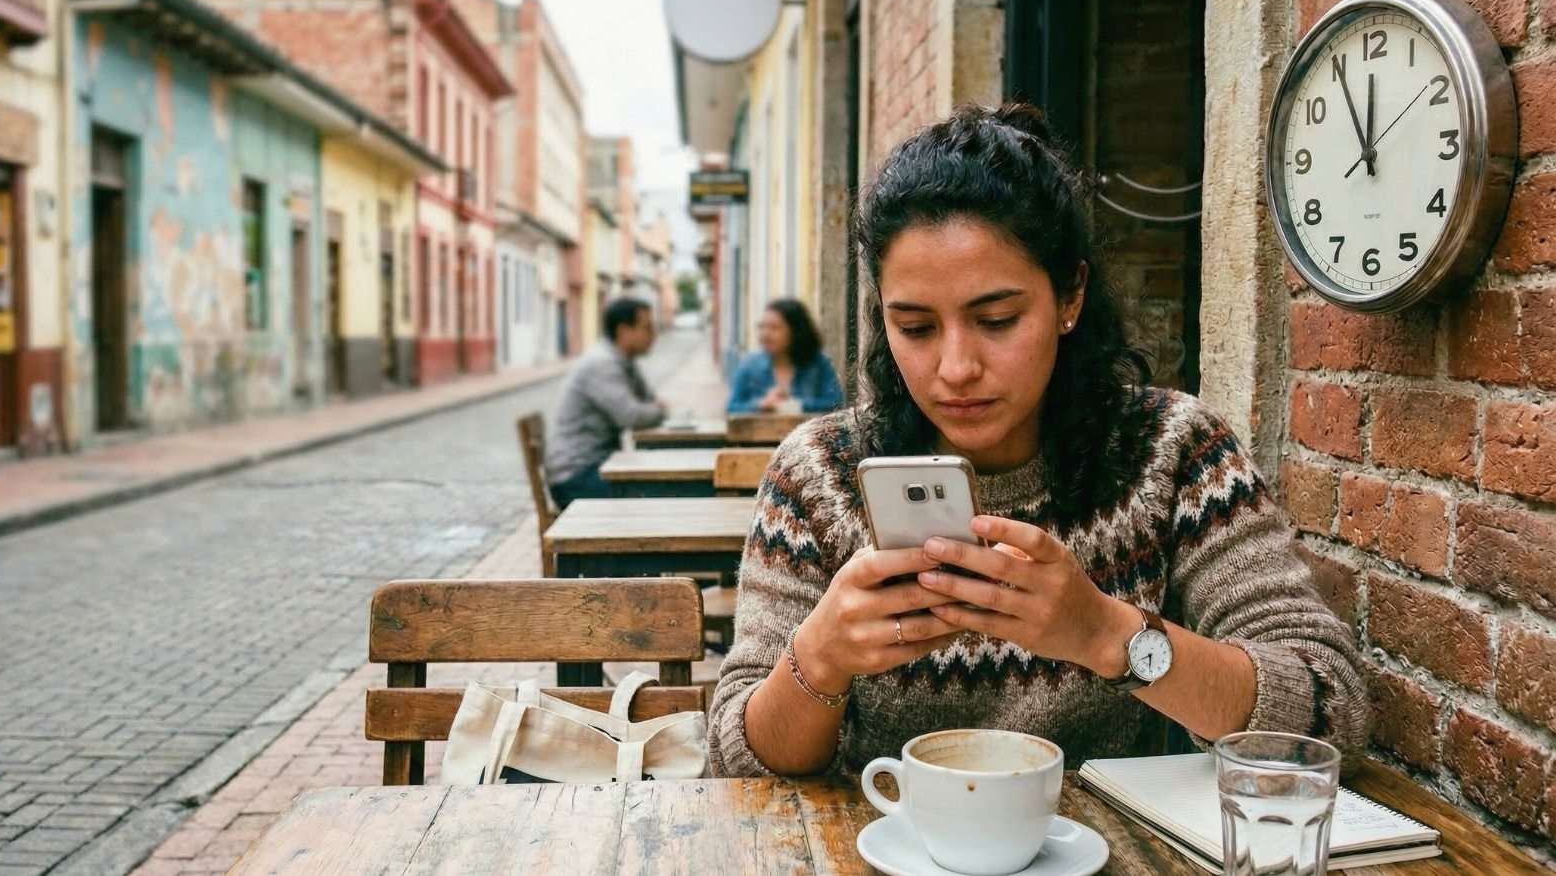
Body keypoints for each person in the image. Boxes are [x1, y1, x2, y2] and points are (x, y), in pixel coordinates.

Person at [708, 104, 1368, 778]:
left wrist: (1105, 634)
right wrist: (819, 657)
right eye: (915, 327)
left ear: (1070, 296)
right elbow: (738, 768)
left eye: (996, 319)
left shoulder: (1174, 453)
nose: (956, 367)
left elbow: (1330, 710)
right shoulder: (819, 476)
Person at [544, 297, 667, 507]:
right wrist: (659, 410)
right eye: (647, 328)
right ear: (624, 331)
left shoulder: (623, 361)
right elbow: (632, 416)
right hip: (576, 478)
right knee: (658, 497)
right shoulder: (602, 364)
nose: (654, 335)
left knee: (660, 491)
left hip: (597, 468)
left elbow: (647, 401)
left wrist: (654, 408)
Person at [726, 299, 845, 414]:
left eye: (774, 328)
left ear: (795, 331)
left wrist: (794, 406)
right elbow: (732, 407)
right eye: (762, 327)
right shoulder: (750, 365)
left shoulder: (819, 364)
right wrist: (761, 405)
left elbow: (836, 405)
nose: (765, 334)